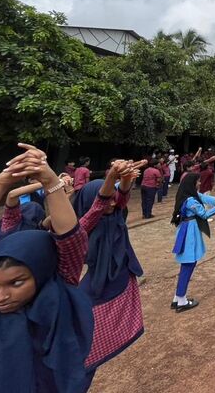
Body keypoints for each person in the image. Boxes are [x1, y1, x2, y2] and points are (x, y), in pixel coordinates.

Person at [0, 143, 94, 392]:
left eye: (16, 282)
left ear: (40, 276)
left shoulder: (58, 294)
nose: (0, 296)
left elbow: (71, 238)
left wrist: (51, 180)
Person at [72, 160, 146, 379]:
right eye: (108, 198)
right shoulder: (84, 225)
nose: (112, 203)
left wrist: (125, 178)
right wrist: (112, 176)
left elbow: (120, 196)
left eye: (114, 198)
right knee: (86, 339)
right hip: (98, 282)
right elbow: (99, 205)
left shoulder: (115, 213)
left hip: (119, 275)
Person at [170, 173, 215, 312]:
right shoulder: (191, 200)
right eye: (198, 181)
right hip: (190, 233)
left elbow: (204, 197)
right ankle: (182, 301)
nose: (199, 183)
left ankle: (177, 297)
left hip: (186, 230)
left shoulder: (185, 194)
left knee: (187, 265)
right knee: (189, 264)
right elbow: (204, 214)